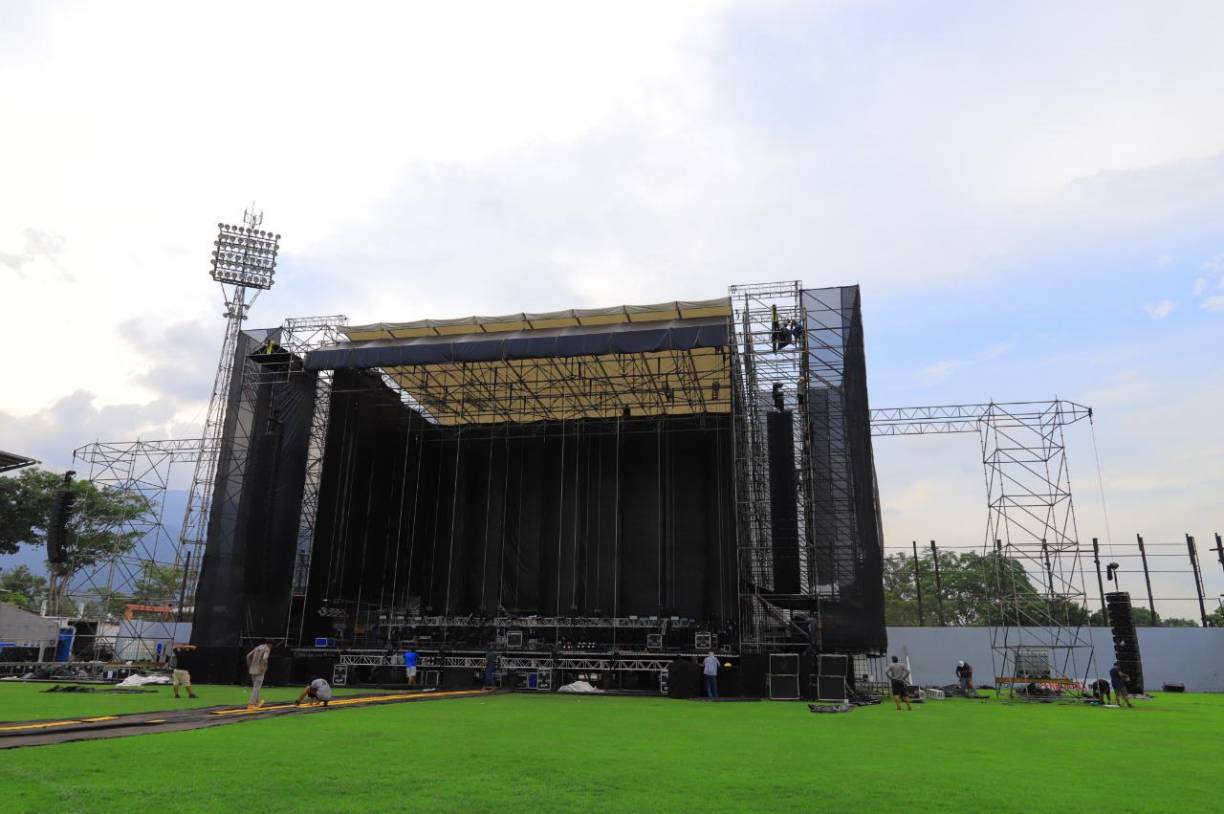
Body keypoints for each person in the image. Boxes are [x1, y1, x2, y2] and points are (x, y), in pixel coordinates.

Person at [245, 639, 273, 710]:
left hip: (252, 669)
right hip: (260, 670)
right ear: (270, 644)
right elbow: (264, 658)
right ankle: (251, 704)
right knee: (256, 688)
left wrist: (250, 666)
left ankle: (258, 701)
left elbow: (248, 656)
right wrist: (265, 667)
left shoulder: (257, 647)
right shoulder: (267, 649)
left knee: (256, 687)